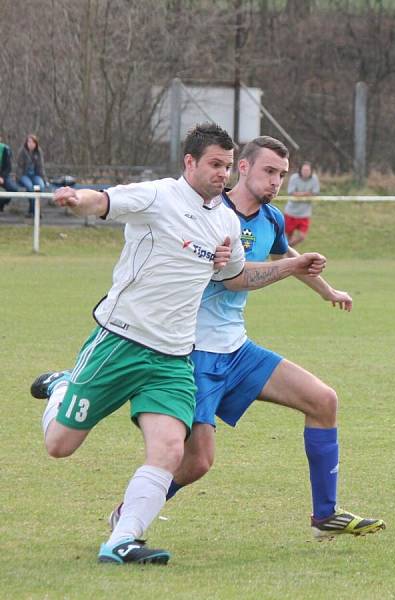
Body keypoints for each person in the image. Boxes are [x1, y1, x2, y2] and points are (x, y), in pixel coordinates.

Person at [30, 123, 326, 565]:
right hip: (120, 341)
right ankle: (62, 387)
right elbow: (105, 200)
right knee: (60, 445)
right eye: (214, 164)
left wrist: (291, 267)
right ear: (189, 162)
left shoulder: (224, 220)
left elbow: (238, 279)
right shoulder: (158, 195)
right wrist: (78, 200)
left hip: (173, 357)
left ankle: (122, 539)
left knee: (171, 449)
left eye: (227, 167)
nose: (221, 174)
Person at [110, 136, 384, 539]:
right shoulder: (211, 214)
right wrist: (292, 269)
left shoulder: (271, 218)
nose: (276, 182)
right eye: (269, 171)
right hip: (194, 353)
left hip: (237, 351)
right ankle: (128, 514)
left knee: (323, 400)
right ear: (243, 168)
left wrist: (329, 291)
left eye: (282, 175)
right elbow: (237, 281)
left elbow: (288, 257)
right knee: (198, 461)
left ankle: (325, 517)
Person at [283, 161, 320, 247]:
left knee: (302, 237)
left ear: (311, 171)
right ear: (300, 170)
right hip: (291, 212)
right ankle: (287, 254)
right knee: (288, 236)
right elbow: (291, 192)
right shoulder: (294, 178)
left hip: (304, 214)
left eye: (307, 170)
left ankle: (287, 248)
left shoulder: (314, 179)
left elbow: (315, 193)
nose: (306, 172)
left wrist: (301, 194)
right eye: (304, 170)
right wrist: (306, 193)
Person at [16, 134, 48, 216]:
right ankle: (35, 211)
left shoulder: (39, 152)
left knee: (41, 186)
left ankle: (33, 210)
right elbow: (19, 167)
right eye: (29, 142)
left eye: (32, 142)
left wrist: (44, 180)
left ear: (36, 144)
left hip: (35, 175)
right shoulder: (22, 152)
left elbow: (41, 167)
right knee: (30, 187)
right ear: (26, 143)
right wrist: (19, 177)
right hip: (24, 175)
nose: (30, 144)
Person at [0, 135, 20, 212]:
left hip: (3, 176)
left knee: (13, 189)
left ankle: (1, 204)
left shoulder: (4, 149)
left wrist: (2, 177)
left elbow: (8, 167)